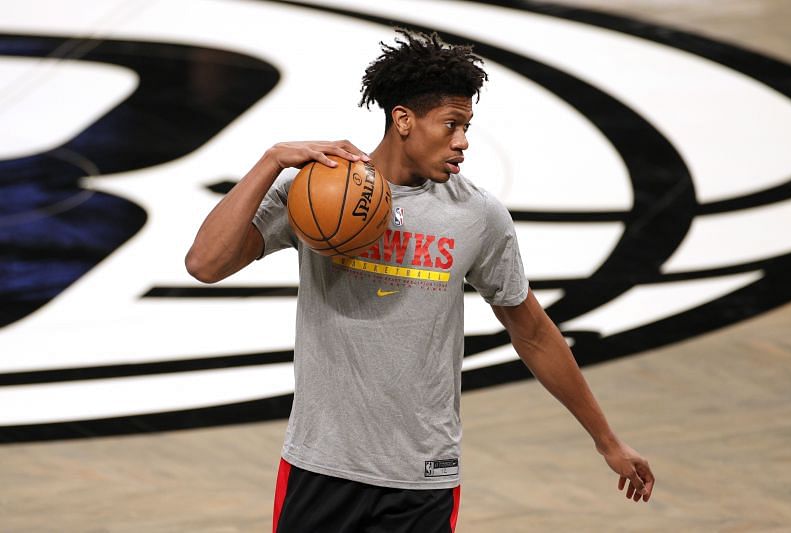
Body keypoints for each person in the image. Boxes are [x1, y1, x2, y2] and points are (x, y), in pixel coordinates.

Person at [186, 29, 654, 533]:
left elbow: (534, 332)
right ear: (403, 120)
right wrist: (273, 160)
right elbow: (205, 265)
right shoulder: (318, 192)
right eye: (452, 124)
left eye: (468, 125)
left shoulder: (477, 215)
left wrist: (606, 440)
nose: (463, 141)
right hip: (321, 465)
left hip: (423, 474)